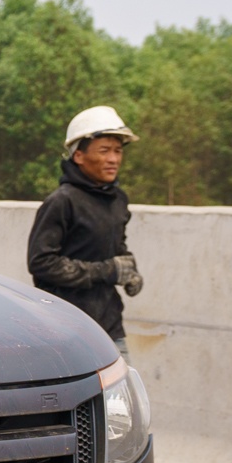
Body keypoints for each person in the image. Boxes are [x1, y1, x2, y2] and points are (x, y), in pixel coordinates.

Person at [28, 106, 143, 357]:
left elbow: (115, 249)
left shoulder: (118, 200)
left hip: (110, 327)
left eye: (118, 151)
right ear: (78, 156)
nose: (113, 159)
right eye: (104, 151)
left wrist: (129, 270)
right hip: (68, 328)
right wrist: (107, 271)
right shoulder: (62, 202)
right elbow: (41, 263)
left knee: (118, 394)